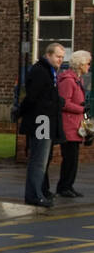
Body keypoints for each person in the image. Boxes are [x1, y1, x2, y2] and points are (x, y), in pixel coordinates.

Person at [19, 42, 65, 208]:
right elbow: (33, 98)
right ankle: (34, 195)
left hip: (45, 120)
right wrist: (56, 102)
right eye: (58, 56)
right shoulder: (40, 71)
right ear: (48, 54)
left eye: (62, 57)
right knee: (39, 159)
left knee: (42, 160)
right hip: (41, 121)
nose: (60, 60)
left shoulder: (49, 71)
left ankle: (38, 192)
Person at [56, 49, 90, 197]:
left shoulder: (78, 80)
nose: (89, 66)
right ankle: (63, 187)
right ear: (80, 64)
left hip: (76, 125)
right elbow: (64, 103)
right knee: (69, 159)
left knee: (74, 160)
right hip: (68, 125)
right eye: (87, 63)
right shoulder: (68, 81)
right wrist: (81, 109)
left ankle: (69, 186)